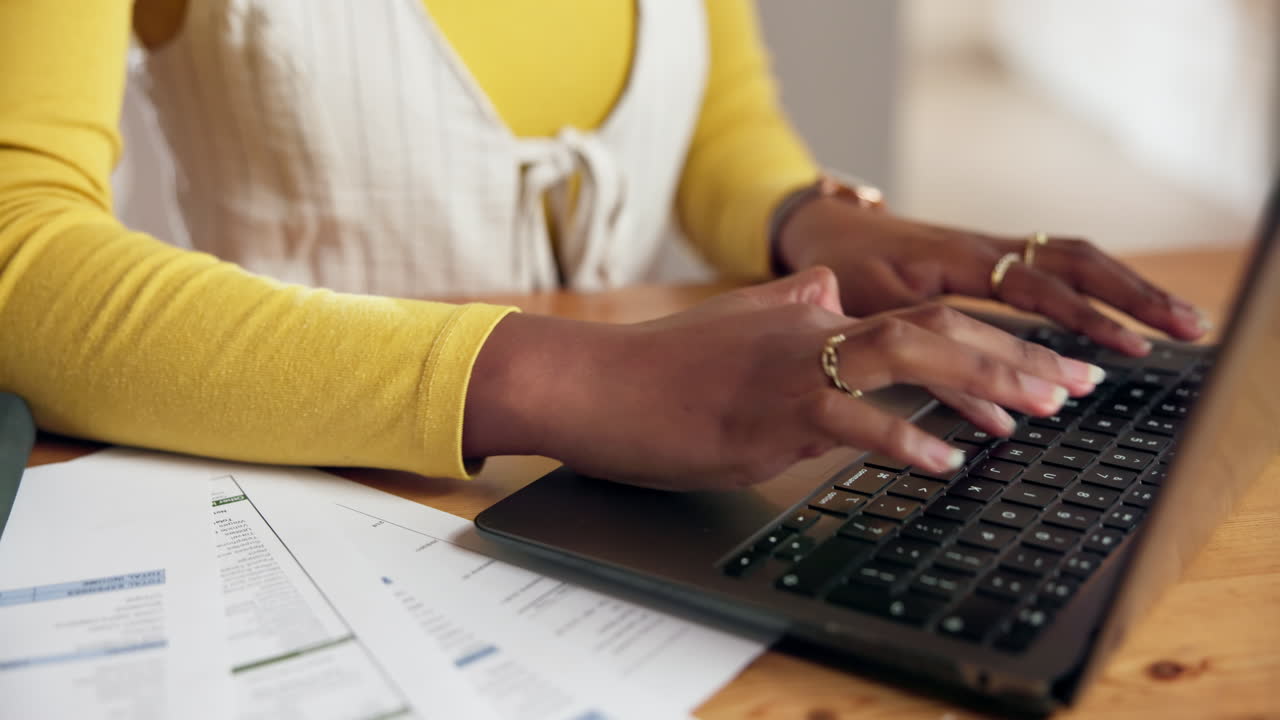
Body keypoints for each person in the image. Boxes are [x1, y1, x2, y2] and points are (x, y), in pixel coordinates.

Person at [0, 0, 1206, 491]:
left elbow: (714, 113)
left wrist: (828, 223)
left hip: (647, 479)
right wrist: (571, 376)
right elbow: (20, 244)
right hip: (315, 485)